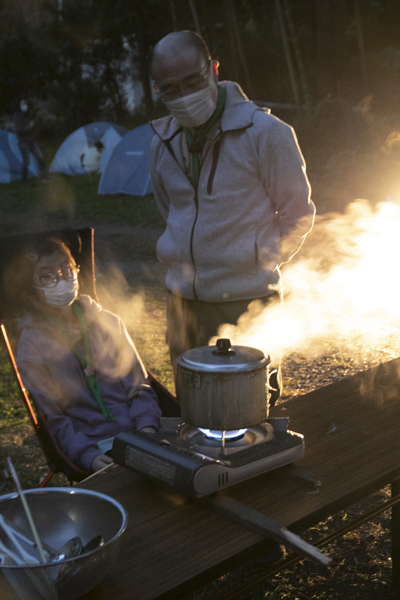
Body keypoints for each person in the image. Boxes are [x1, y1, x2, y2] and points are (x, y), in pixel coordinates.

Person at [149, 31, 315, 403]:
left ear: (213, 69)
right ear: (158, 90)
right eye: (171, 88)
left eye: (192, 81)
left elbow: (298, 213)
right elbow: (170, 208)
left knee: (254, 410)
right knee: (193, 410)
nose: (184, 95)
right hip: (182, 302)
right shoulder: (161, 142)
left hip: (249, 299)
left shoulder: (267, 133)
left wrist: (258, 260)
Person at [16, 238, 161, 472]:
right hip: (93, 447)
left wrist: (147, 429)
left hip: (140, 433)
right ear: (32, 285)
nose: (61, 279)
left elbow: (138, 386)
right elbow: (52, 418)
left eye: (66, 269)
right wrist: (88, 455)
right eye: (47, 276)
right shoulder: (32, 346)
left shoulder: (109, 323)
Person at [12, 99, 48, 181]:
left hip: (31, 141)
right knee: (26, 162)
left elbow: (32, 127)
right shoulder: (17, 116)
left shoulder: (27, 115)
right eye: (23, 104)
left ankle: (44, 176)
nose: (25, 105)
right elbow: (18, 130)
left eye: (26, 103)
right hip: (23, 142)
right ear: (19, 105)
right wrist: (29, 127)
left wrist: (33, 131)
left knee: (40, 157)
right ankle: (24, 179)